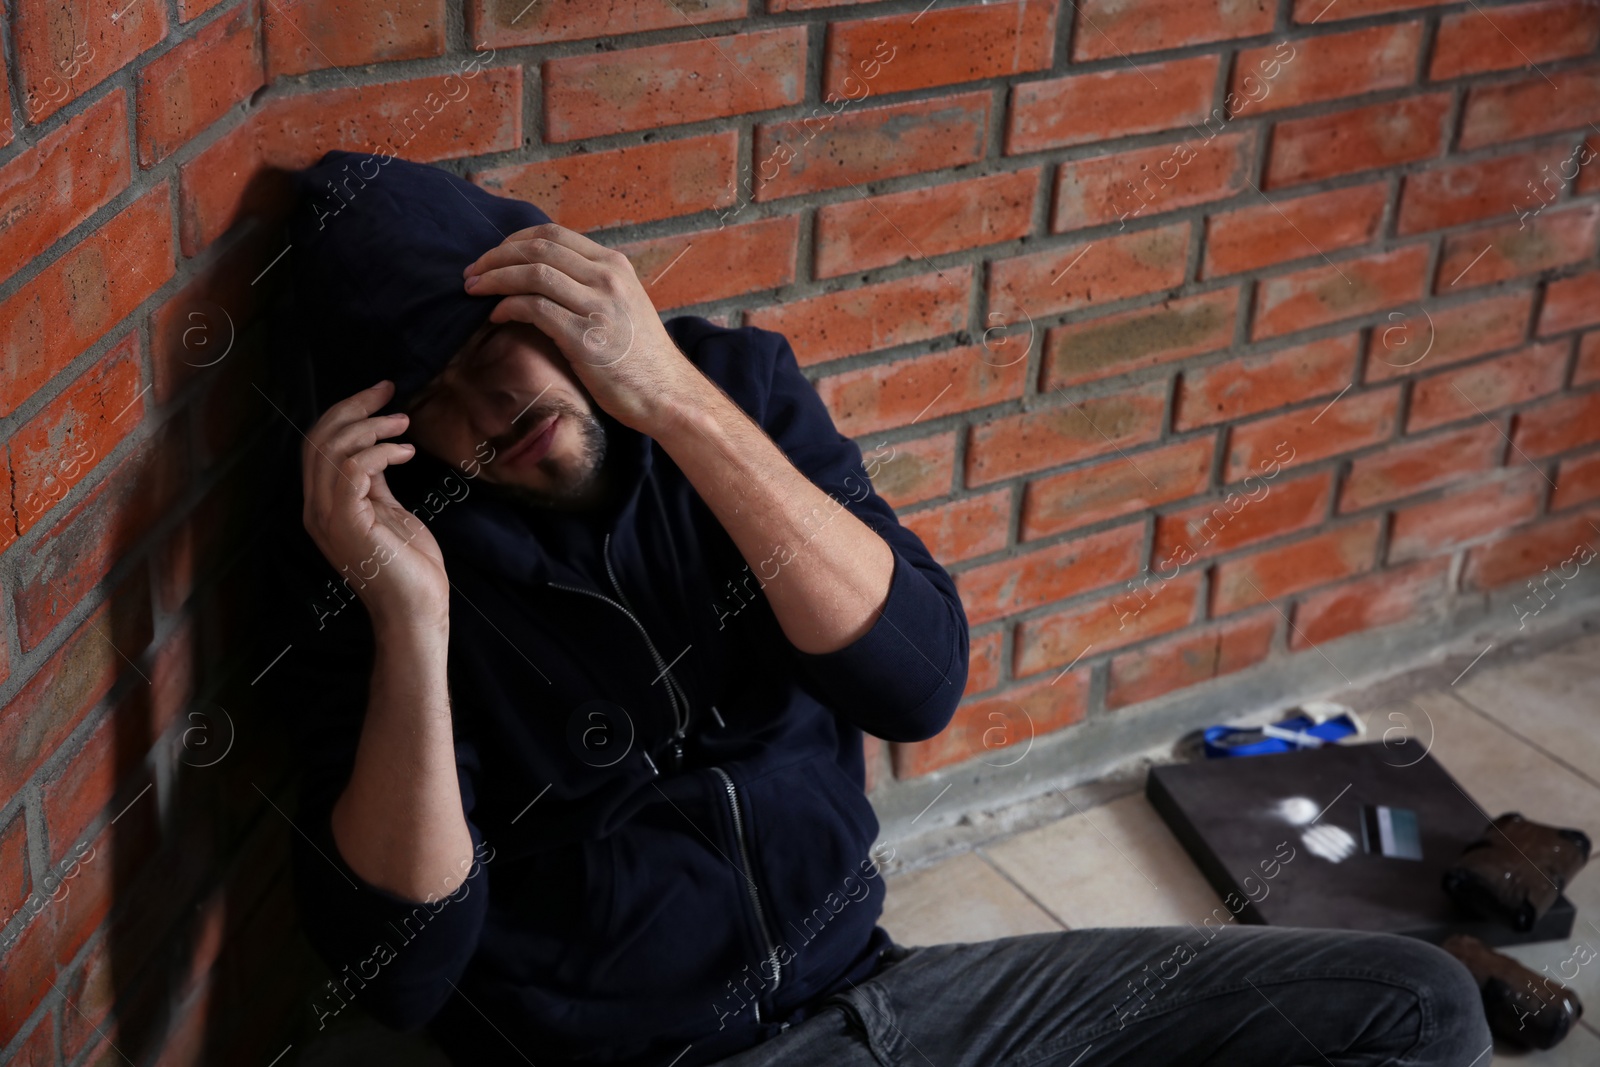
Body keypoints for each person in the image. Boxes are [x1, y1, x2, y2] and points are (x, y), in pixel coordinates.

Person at [263, 150, 1491, 1067]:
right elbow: (407, 974)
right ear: (390, 433)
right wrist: (409, 622)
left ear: (569, 299)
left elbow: (916, 682)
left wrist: (677, 404)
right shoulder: (376, 562)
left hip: (894, 1001)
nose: (491, 401)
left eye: (496, 337)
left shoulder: (731, 392)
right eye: (430, 390)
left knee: (1413, 1003)